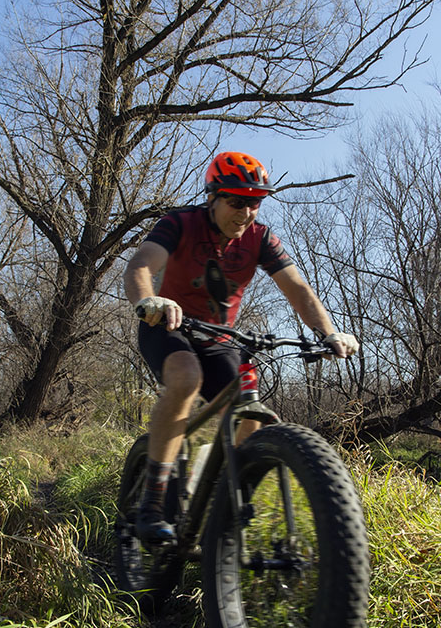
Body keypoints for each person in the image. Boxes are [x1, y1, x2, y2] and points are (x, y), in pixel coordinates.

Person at [123, 151, 360, 543]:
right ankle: (153, 497)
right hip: (167, 324)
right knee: (186, 378)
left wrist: (327, 332)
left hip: (220, 340)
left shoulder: (260, 238)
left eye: (254, 202)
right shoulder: (180, 223)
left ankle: (222, 514)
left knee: (254, 416)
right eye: (236, 201)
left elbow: (298, 289)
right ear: (212, 197)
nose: (246, 212)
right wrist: (149, 300)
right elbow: (142, 265)